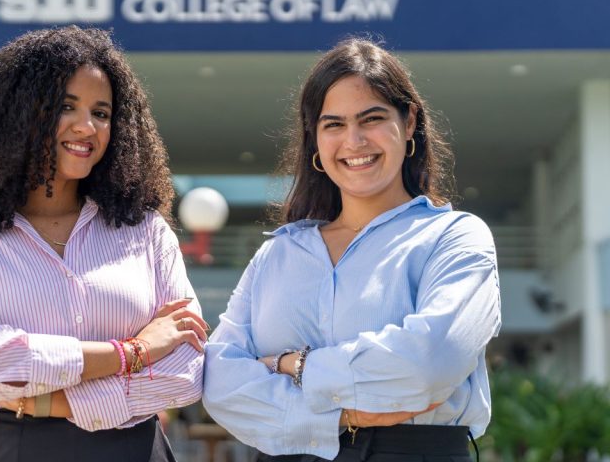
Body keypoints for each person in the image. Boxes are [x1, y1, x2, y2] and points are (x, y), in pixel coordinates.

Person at [0, 26, 207, 462]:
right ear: (16, 114)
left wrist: (44, 400)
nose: (87, 127)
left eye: (101, 113)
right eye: (65, 106)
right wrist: (134, 352)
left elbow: (186, 370)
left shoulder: (145, 230)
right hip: (13, 451)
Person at [202, 38, 501, 462]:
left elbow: (431, 363)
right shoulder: (278, 253)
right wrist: (342, 415)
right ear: (315, 139)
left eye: (371, 118)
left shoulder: (455, 237)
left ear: (409, 121)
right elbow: (219, 381)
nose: (354, 140)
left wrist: (293, 365)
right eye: (334, 125)